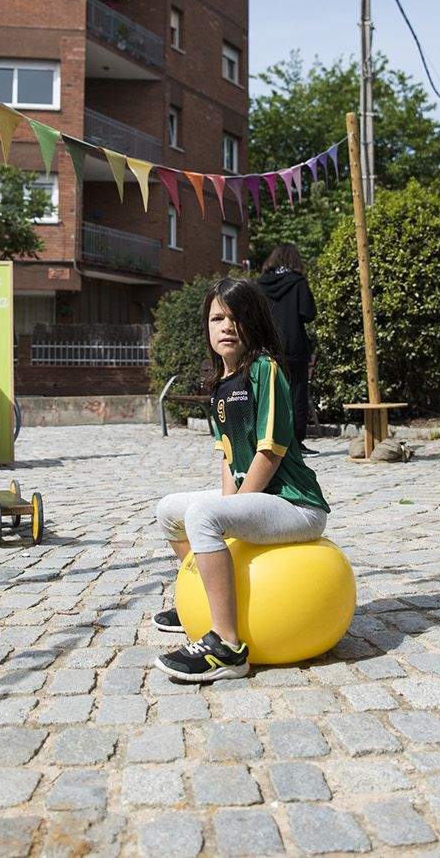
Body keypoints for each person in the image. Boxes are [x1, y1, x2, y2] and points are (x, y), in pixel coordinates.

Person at [151, 277, 329, 682]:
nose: (226, 326)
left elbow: (269, 452)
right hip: (259, 499)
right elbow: (230, 462)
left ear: (255, 323)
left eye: (236, 317)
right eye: (217, 318)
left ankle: (228, 647)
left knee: (204, 516)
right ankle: (201, 600)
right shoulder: (220, 386)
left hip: (296, 506)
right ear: (207, 328)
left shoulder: (264, 370)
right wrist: (228, 507)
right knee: (169, 511)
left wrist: (227, 514)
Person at [257, 244, 317, 452]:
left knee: (271, 394)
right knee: (297, 393)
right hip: (295, 347)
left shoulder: (260, 285)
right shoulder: (298, 283)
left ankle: (271, 440)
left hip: (268, 347)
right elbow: (309, 313)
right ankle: (296, 442)